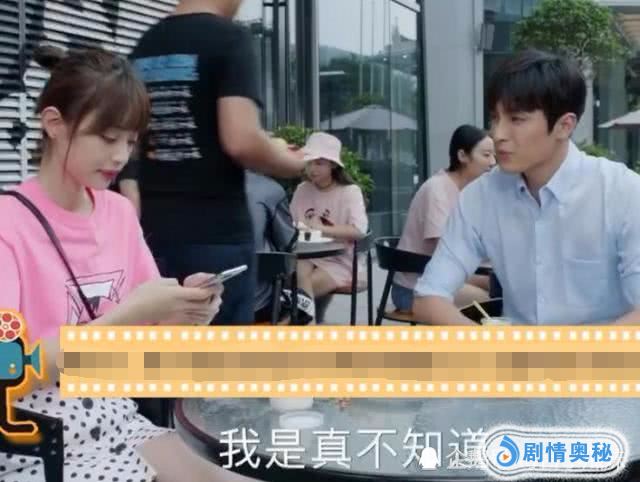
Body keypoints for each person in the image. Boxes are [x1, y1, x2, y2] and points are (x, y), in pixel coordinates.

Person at [0, 46, 243, 482]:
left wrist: (189, 311)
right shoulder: (8, 224)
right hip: (30, 441)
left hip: (117, 421)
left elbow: (148, 345)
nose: (120, 156)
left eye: (130, 141)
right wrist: (129, 315)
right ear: (54, 123)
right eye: (108, 138)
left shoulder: (118, 213)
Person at [413, 49, 640, 326]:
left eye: (516, 119)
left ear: (564, 125)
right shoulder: (481, 196)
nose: (497, 134)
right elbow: (428, 297)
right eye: (495, 118)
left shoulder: (622, 192)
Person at [123, 0, 306, 325]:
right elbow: (241, 140)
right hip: (216, 236)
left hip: (150, 237)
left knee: (161, 349)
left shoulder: (145, 45)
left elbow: (128, 145)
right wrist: (289, 161)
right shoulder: (229, 39)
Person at [392, 125, 495, 311]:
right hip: (415, 288)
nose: (493, 162)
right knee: (494, 302)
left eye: (494, 155)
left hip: (446, 278)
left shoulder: (474, 192)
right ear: (462, 156)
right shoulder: (437, 190)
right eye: (486, 155)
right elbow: (444, 254)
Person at [291, 133, 368, 318]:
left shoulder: (350, 192)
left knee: (296, 292)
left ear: (333, 164)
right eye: (309, 162)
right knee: (292, 282)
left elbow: (359, 230)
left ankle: (298, 326)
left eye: (319, 163)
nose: (312, 169)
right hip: (305, 255)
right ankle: (305, 326)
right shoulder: (303, 189)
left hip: (339, 261)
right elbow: (290, 224)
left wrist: (322, 229)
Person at [245, 171, 316, 323]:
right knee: (305, 304)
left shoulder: (192, 185)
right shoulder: (268, 188)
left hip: (196, 302)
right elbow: (288, 243)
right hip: (256, 304)